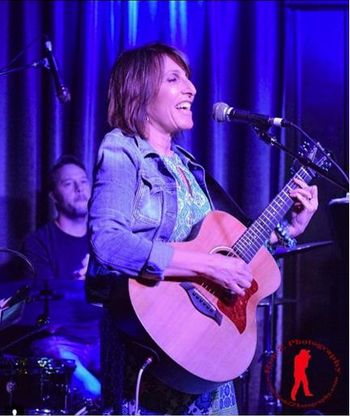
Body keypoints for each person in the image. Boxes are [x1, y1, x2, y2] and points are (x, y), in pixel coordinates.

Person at [86, 43, 319, 415]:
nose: (192, 88)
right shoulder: (123, 149)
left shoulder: (188, 166)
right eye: (174, 79)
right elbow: (107, 242)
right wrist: (208, 266)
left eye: (189, 79)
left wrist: (289, 229)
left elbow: (230, 257)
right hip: (153, 352)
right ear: (140, 91)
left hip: (206, 354)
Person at [22, 155, 102, 403]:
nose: (79, 189)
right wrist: (84, 284)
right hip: (61, 340)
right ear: (53, 195)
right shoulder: (38, 242)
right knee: (91, 389)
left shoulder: (105, 239)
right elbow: (44, 303)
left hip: (103, 337)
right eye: (68, 184)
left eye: (83, 181)